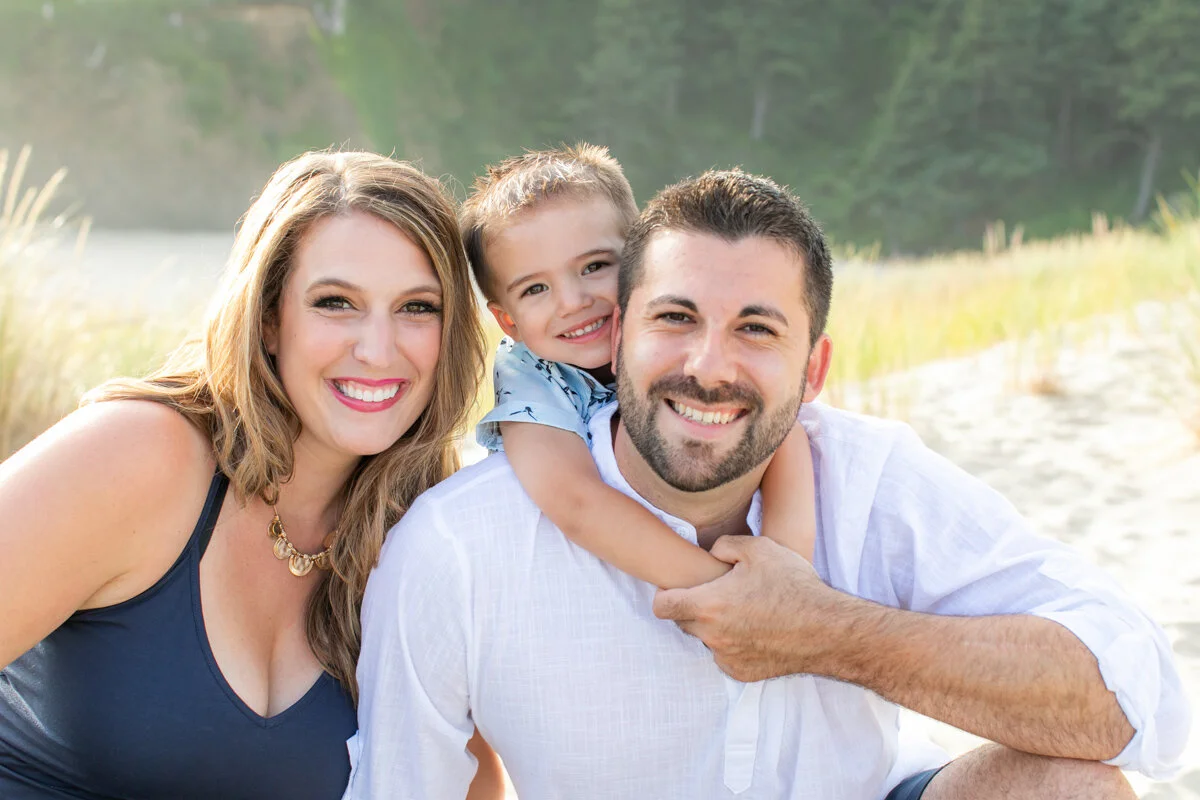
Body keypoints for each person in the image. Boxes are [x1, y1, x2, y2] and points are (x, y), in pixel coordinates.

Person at [347, 167, 1189, 799]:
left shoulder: (861, 472)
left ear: (813, 368)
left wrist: (827, 632)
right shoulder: (458, 546)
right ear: (623, 332)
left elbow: (1140, 699)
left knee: (1073, 793)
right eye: (676, 318)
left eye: (756, 329)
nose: (708, 368)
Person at [0, 151, 503, 799]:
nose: (379, 349)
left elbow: (469, 786)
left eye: (416, 308)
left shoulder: (416, 536)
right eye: (336, 303)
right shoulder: (143, 455)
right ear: (268, 319)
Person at [462, 143, 815, 589]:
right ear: (507, 321)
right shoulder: (530, 377)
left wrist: (786, 577)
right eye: (535, 289)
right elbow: (576, 503)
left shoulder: (679, 337)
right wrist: (723, 592)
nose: (573, 302)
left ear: (643, 262)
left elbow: (784, 431)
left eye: (594, 266)